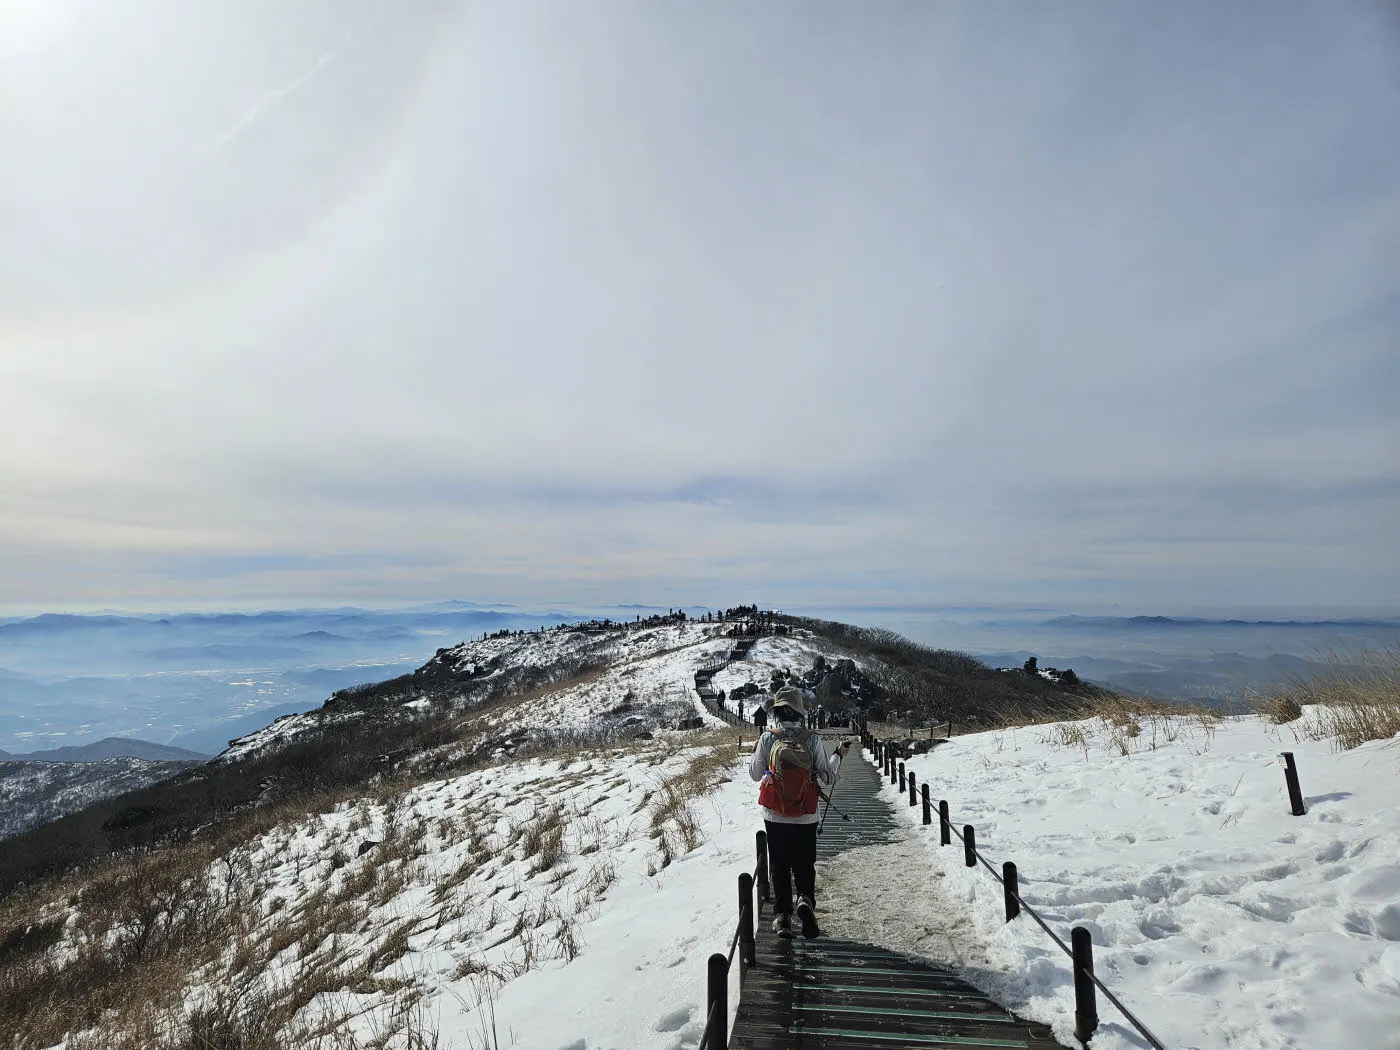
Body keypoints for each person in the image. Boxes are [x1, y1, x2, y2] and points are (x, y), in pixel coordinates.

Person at [749, 686, 850, 939]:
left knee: (780, 866)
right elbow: (828, 777)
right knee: (804, 864)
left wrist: (759, 754)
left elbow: (754, 774)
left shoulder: (768, 738)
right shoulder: (812, 739)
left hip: (775, 814)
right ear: (799, 712)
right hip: (806, 814)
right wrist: (838, 755)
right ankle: (805, 899)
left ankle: (783, 917)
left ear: (777, 712)